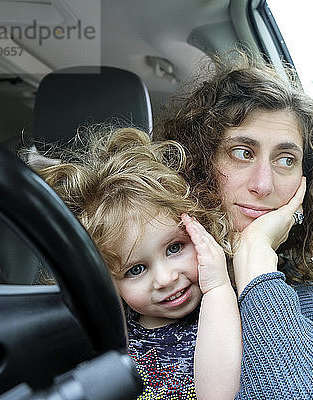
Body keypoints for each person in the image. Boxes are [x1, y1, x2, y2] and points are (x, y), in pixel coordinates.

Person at [156, 53, 313, 399]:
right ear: (200, 160)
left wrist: (256, 266)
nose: (263, 185)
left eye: (285, 159)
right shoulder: (151, 274)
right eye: (242, 153)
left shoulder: (297, 297)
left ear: (304, 184)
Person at [35, 127, 244, 400]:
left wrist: (218, 287)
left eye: (175, 248)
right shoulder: (122, 334)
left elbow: (218, 396)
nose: (166, 278)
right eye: (135, 269)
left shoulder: (226, 313)